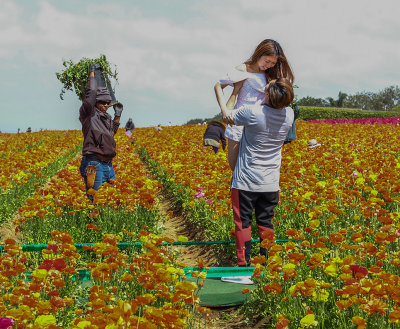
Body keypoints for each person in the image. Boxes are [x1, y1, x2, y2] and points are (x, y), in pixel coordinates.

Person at [229, 78, 294, 267]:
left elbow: (228, 116)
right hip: (270, 182)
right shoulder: (289, 114)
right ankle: (269, 265)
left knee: (243, 223)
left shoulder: (252, 112)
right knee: (266, 222)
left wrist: (235, 91)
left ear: (267, 94)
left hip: (246, 181)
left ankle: (244, 265)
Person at [214, 39, 294, 171]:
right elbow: (218, 85)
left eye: (273, 63)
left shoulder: (270, 74)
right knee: (236, 168)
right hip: (239, 122)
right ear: (259, 54)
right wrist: (224, 110)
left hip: (260, 124)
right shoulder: (243, 69)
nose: (268, 65)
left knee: (256, 167)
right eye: (266, 61)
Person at [79, 64, 123, 201]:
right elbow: (91, 94)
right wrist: (92, 73)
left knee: (112, 199)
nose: (105, 105)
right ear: (95, 103)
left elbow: (110, 134)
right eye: (102, 102)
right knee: (95, 199)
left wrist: (117, 116)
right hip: (94, 163)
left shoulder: (107, 117)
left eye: (108, 103)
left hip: (108, 165)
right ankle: (92, 221)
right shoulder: (89, 113)